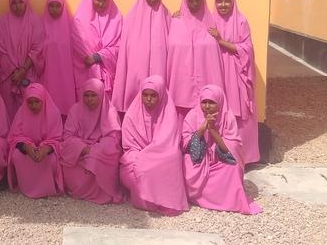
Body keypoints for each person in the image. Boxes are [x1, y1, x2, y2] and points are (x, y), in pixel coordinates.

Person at [182, 85, 261, 214]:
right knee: (187, 164)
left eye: (211, 103)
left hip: (219, 160)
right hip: (199, 161)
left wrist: (212, 130)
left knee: (233, 169)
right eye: (204, 102)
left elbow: (231, 149)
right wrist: (202, 130)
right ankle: (201, 197)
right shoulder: (193, 115)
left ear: (219, 102)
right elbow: (186, 144)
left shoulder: (227, 117)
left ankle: (226, 200)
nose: (207, 106)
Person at [120, 75, 188, 215]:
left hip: (161, 157)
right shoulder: (132, 115)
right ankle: (147, 201)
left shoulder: (168, 113)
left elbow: (168, 144)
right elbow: (129, 146)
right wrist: (142, 157)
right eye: (145, 95)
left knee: (171, 157)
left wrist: (149, 157)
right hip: (136, 155)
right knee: (136, 170)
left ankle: (164, 200)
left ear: (161, 96)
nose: (148, 99)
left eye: (153, 95)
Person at [209, 0, 259, 164]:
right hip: (216, 70)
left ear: (232, 3)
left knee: (239, 111)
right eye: (219, 1)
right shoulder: (210, 19)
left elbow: (247, 48)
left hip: (236, 72)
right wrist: (177, 16)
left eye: (226, 1)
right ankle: (220, 154)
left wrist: (221, 41)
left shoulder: (241, 21)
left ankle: (242, 156)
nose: (223, 5)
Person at [60, 78, 124, 204]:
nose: (89, 99)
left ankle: (102, 193)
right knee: (67, 150)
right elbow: (67, 135)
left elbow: (114, 137)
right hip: (80, 148)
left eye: (93, 95)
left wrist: (95, 150)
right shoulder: (76, 109)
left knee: (100, 155)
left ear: (101, 95)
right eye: (86, 95)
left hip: (100, 149)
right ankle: (80, 190)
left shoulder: (109, 111)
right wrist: (81, 148)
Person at [166, 0, 223, 120]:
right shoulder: (175, 22)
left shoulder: (213, 21)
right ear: (185, 1)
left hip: (206, 81)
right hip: (180, 83)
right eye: (190, 0)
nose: (194, 4)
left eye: (198, 0)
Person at [112, 0, 170, 113]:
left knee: (158, 95)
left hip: (159, 64)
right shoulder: (131, 17)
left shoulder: (167, 16)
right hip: (136, 65)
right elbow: (126, 47)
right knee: (135, 92)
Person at [0, 0, 46, 118]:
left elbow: (37, 48)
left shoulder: (35, 21)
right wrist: (14, 72)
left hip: (29, 73)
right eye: (14, 3)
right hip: (9, 75)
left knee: (30, 107)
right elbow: (0, 50)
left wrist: (22, 71)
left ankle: (28, 135)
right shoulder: (3, 22)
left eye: (20, 2)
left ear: (26, 3)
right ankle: (12, 136)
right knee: (9, 110)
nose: (17, 6)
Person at [7, 83, 64, 198]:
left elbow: (58, 138)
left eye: (37, 102)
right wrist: (27, 147)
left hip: (46, 151)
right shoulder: (21, 112)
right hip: (28, 150)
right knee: (17, 156)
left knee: (52, 160)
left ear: (43, 100)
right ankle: (27, 187)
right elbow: (14, 137)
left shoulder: (54, 113)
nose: (33, 106)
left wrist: (45, 149)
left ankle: (47, 188)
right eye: (30, 102)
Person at [71, 0, 122, 98]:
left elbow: (120, 46)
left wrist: (99, 56)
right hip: (85, 72)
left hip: (108, 75)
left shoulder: (117, 19)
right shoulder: (79, 20)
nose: (101, 3)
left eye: (105, 0)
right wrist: (88, 58)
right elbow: (77, 44)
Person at [41, 0, 77, 116]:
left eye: (58, 6)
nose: (54, 9)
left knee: (66, 99)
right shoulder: (41, 26)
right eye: (51, 6)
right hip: (47, 72)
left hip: (66, 73)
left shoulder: (71, 27)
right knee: (49, 101)